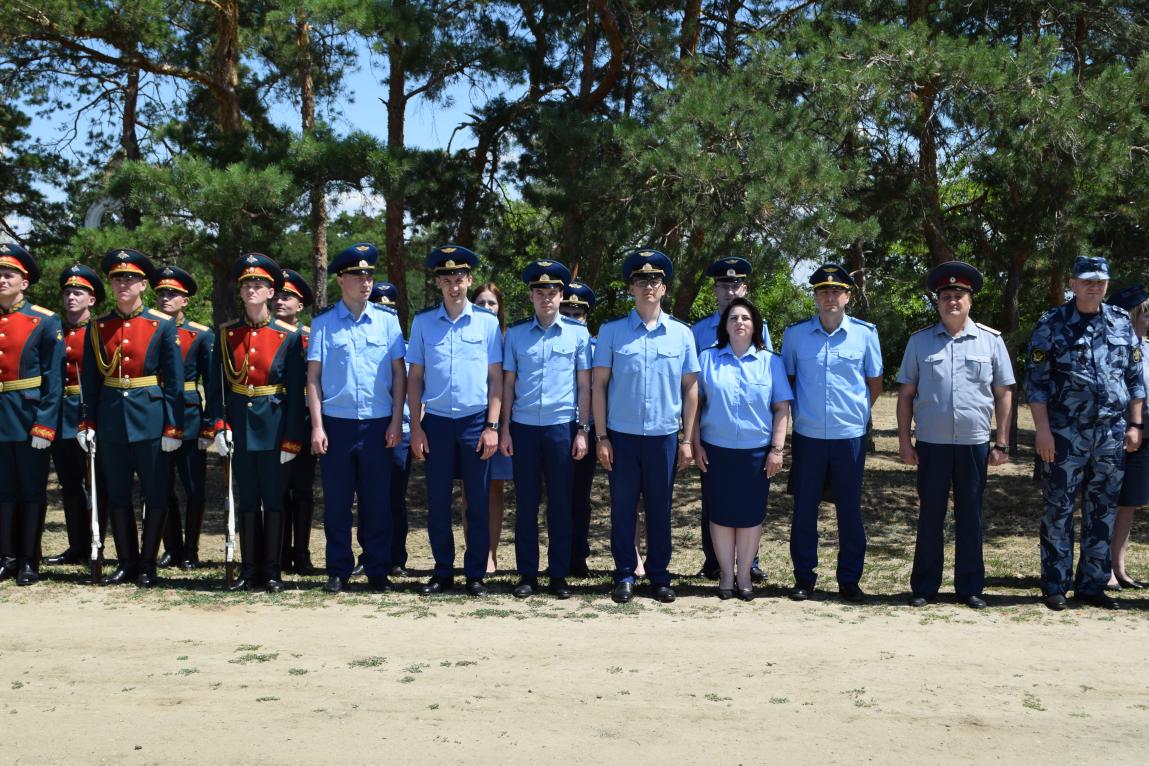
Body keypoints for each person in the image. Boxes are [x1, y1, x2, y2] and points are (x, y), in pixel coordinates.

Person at [1026, 256, 1144, 611]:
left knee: (1103, 509)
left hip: (1111, 434)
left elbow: (1135, 378)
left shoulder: (1121, 322)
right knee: (1058, 509)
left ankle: (1092, 584)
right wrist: (1043, 432)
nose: (1094, 286)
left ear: (1107, 284)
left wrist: (1135, 425)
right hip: (1064, 435)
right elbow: (1036, 385)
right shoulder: (1051, 323)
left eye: (1101, 280)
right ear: (1073, 284)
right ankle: (1055, 584)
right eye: (1087, 280)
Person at [896, 262, 1014, 610]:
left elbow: (1004, 392)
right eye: (946, 296)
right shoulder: (919, 342)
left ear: (970, 301)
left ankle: (970, 587)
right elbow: (905, 395)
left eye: (958, 295)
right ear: (937, 302)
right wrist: (904, 441)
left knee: (970, 516)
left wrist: (1002, 441)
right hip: (931, 444)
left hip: (973, 443)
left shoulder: (990, 341)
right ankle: (924, 586)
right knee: (930, 515)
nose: (952, 301)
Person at [592, 249, 700, 604]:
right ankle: (624, 573)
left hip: (663, 436)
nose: (648, 286)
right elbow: (599, 386)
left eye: (654, 280)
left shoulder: (682, 335)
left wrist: (686, 439)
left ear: (664, 288)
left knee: (660, 509)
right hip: (621, 435)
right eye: (641, 281)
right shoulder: (611, 332)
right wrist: (602, 436)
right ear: (631, 289)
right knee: (623, 508)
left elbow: (690, 390)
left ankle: (659, 575)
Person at [79, 248, 184, 588]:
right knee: (118, 494)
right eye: (117, 278)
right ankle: (126, 562)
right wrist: (88, 423)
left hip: (151, 420)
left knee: (155, 494)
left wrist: (172, 426)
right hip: (111, 422)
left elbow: (175, 382)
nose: (123, 284)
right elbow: (92, 383)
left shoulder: (162, 325)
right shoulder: (98, 327)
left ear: (143, 285)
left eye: (130, 279)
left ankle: (148, 565)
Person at [307, 245, 405, 594]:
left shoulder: (388, 321)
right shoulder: (323, 323)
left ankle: (377, 569)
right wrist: (317, 426)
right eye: (358, 276)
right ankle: (338, 569)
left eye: (369, 275)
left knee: (377, 502)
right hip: (337, 423)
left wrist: (397, 421)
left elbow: (399, 376)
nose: (366, 282)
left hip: (379, 423)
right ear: (341, 280)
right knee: (336, 502)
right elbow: (313, 378)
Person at [781, 263, 882, 604]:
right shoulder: (795, 336)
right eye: (823, 291)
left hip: (848, 437)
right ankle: (804, 577)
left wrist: (856, 414)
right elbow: (789, 381)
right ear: (815, 296)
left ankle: (849, 579)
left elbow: (874, 382)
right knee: (805, 509)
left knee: (849, 511)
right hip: (809, 435)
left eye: (836, 291)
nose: (829, 297)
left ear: (848, 297)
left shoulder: (866, 334)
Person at [407, 244, 502, 597]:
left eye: (459, 277)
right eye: (446, 278)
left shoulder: (488, 323)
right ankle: (443, 570)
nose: (453, 284)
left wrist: (492, 426)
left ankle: (475, 572)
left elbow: (496, 379)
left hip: (474, 421)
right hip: (436, 423)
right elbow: (415, 377)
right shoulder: (423, 323)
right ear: (438, 283)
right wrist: (415, 426)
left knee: (476, 501)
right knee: (436, 502)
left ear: (469, 280)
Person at [207, 253, 306, 593]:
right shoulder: (225, 334)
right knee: (246, 499)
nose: (252, 288)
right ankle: (250, 569)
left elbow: (296, 392)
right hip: (239, 430)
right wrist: (218, 426)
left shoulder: (288, 337)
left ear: (271, 292)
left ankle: (273, 571)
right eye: (247, 284)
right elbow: (216, 387)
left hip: (276, 428)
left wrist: (293, 439)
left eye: (259, 284)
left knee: (274, 500)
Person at [500, 260, 592, 599]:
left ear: (561, 294)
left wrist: (583, 430)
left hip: (561, 429)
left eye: (552, 292)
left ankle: (558, 574)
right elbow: (508, 384)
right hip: (523, 428)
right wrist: (505, 429)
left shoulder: (578, 334)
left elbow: (585, 387)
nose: (546, 298)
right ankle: (527, 574)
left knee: (561, 504)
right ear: (531, 296)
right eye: (539, 292)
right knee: (525, 504)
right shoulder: (516, 335)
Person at [692, 297, 791, 601]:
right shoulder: (707, 358)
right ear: (725, 325)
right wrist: (693, 443)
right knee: (720, 515)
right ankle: (724, 573)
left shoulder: (771, 361)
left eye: (746, 318)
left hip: (755, 452)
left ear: (755, 325)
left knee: (750, 516)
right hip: (716, 450)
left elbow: (781, 407)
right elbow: (695, 406)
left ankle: (745, 573)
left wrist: (777, 449)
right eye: (733, 318)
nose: (739, 323)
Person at [690, 256, 771, 582]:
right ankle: (714, 562)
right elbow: (693, 390)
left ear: (745, 288)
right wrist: (692, 438)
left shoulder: (759, 327)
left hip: (752, 435)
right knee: (713, 499)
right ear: (715, 291)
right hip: (713, 433)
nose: (730, 290)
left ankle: (750, 563)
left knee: (751, 500)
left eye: (736, 284)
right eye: (724, 285)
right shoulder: (697, 332)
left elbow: (764, 375)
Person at [0, 243, 63, 585]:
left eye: (8, 275)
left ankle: (28, 559)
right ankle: (6, 556)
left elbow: (54, 379)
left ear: (24, 282)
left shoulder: (43, 320)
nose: (2, 280)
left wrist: (45, 424)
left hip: (28, 419)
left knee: (31, 491)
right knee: (4, 491)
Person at [44, 264, 108, 569]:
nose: (71, 297)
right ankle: (76, 546)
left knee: (96, 484)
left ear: (92, 300)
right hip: (59, 417)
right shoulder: (53, 329)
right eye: (67, 292)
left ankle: (97, 544)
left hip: (89, 415)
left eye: (78, 292)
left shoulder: (99, 332)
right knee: (69, 486)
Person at [152, 265, 214, 570]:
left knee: (194, 487)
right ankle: (171, 547)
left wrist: (210, 425)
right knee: (161, 487)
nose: (166, 298)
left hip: (189, 416)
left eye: (172, 294)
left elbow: (212, 384)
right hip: (154, 413)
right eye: (161, 293)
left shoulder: (200, 335)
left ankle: (191, 549)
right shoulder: (148, 328)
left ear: (185, 300)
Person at [1106, 284, 1149, 590]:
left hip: (1145, 433)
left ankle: (1119, 566)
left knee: (1129, 504)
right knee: (1106, 502)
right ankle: (1101, 567)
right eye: (1145, 313)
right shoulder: (1111, 346)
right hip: (1116, 431)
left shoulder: (1147, 348)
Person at [276, 268, 318, 575]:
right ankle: (276, 552)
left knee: (302, 490)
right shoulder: (262, 334)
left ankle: (301, 552)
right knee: (276, 491)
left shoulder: (310, 338)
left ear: (300, 305)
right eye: (278, 294)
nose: (280, 300)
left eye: (288, 296)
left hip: (302, 420)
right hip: (272, 419)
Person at [370, 281, 414, 577]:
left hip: (403, 432)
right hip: (371, 428)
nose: (386, 313)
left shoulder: (408, 351)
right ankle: (370, 555)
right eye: (380, 308)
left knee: (395, 497)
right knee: (371, 496)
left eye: (391, 309)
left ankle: (397, 556)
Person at [470, 282, 513, 573]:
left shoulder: (509, 339)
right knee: (470, 490)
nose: (486, 308)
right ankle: (474, 551)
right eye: (481, 303)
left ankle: (490, 554)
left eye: (492, 303)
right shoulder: (466, 333)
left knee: (494, 489)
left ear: (500, 309)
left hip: (501, 423)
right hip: (470, 421)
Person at [560, 280, 598, 577]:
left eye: (578, 314)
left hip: (587, 427)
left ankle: (578, 556)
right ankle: (558, 554)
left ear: (587, 317)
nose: (572, 319)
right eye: (567, 313)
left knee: (580, 496)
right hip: (558, 425)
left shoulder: (596, 346)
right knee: (558, 495)